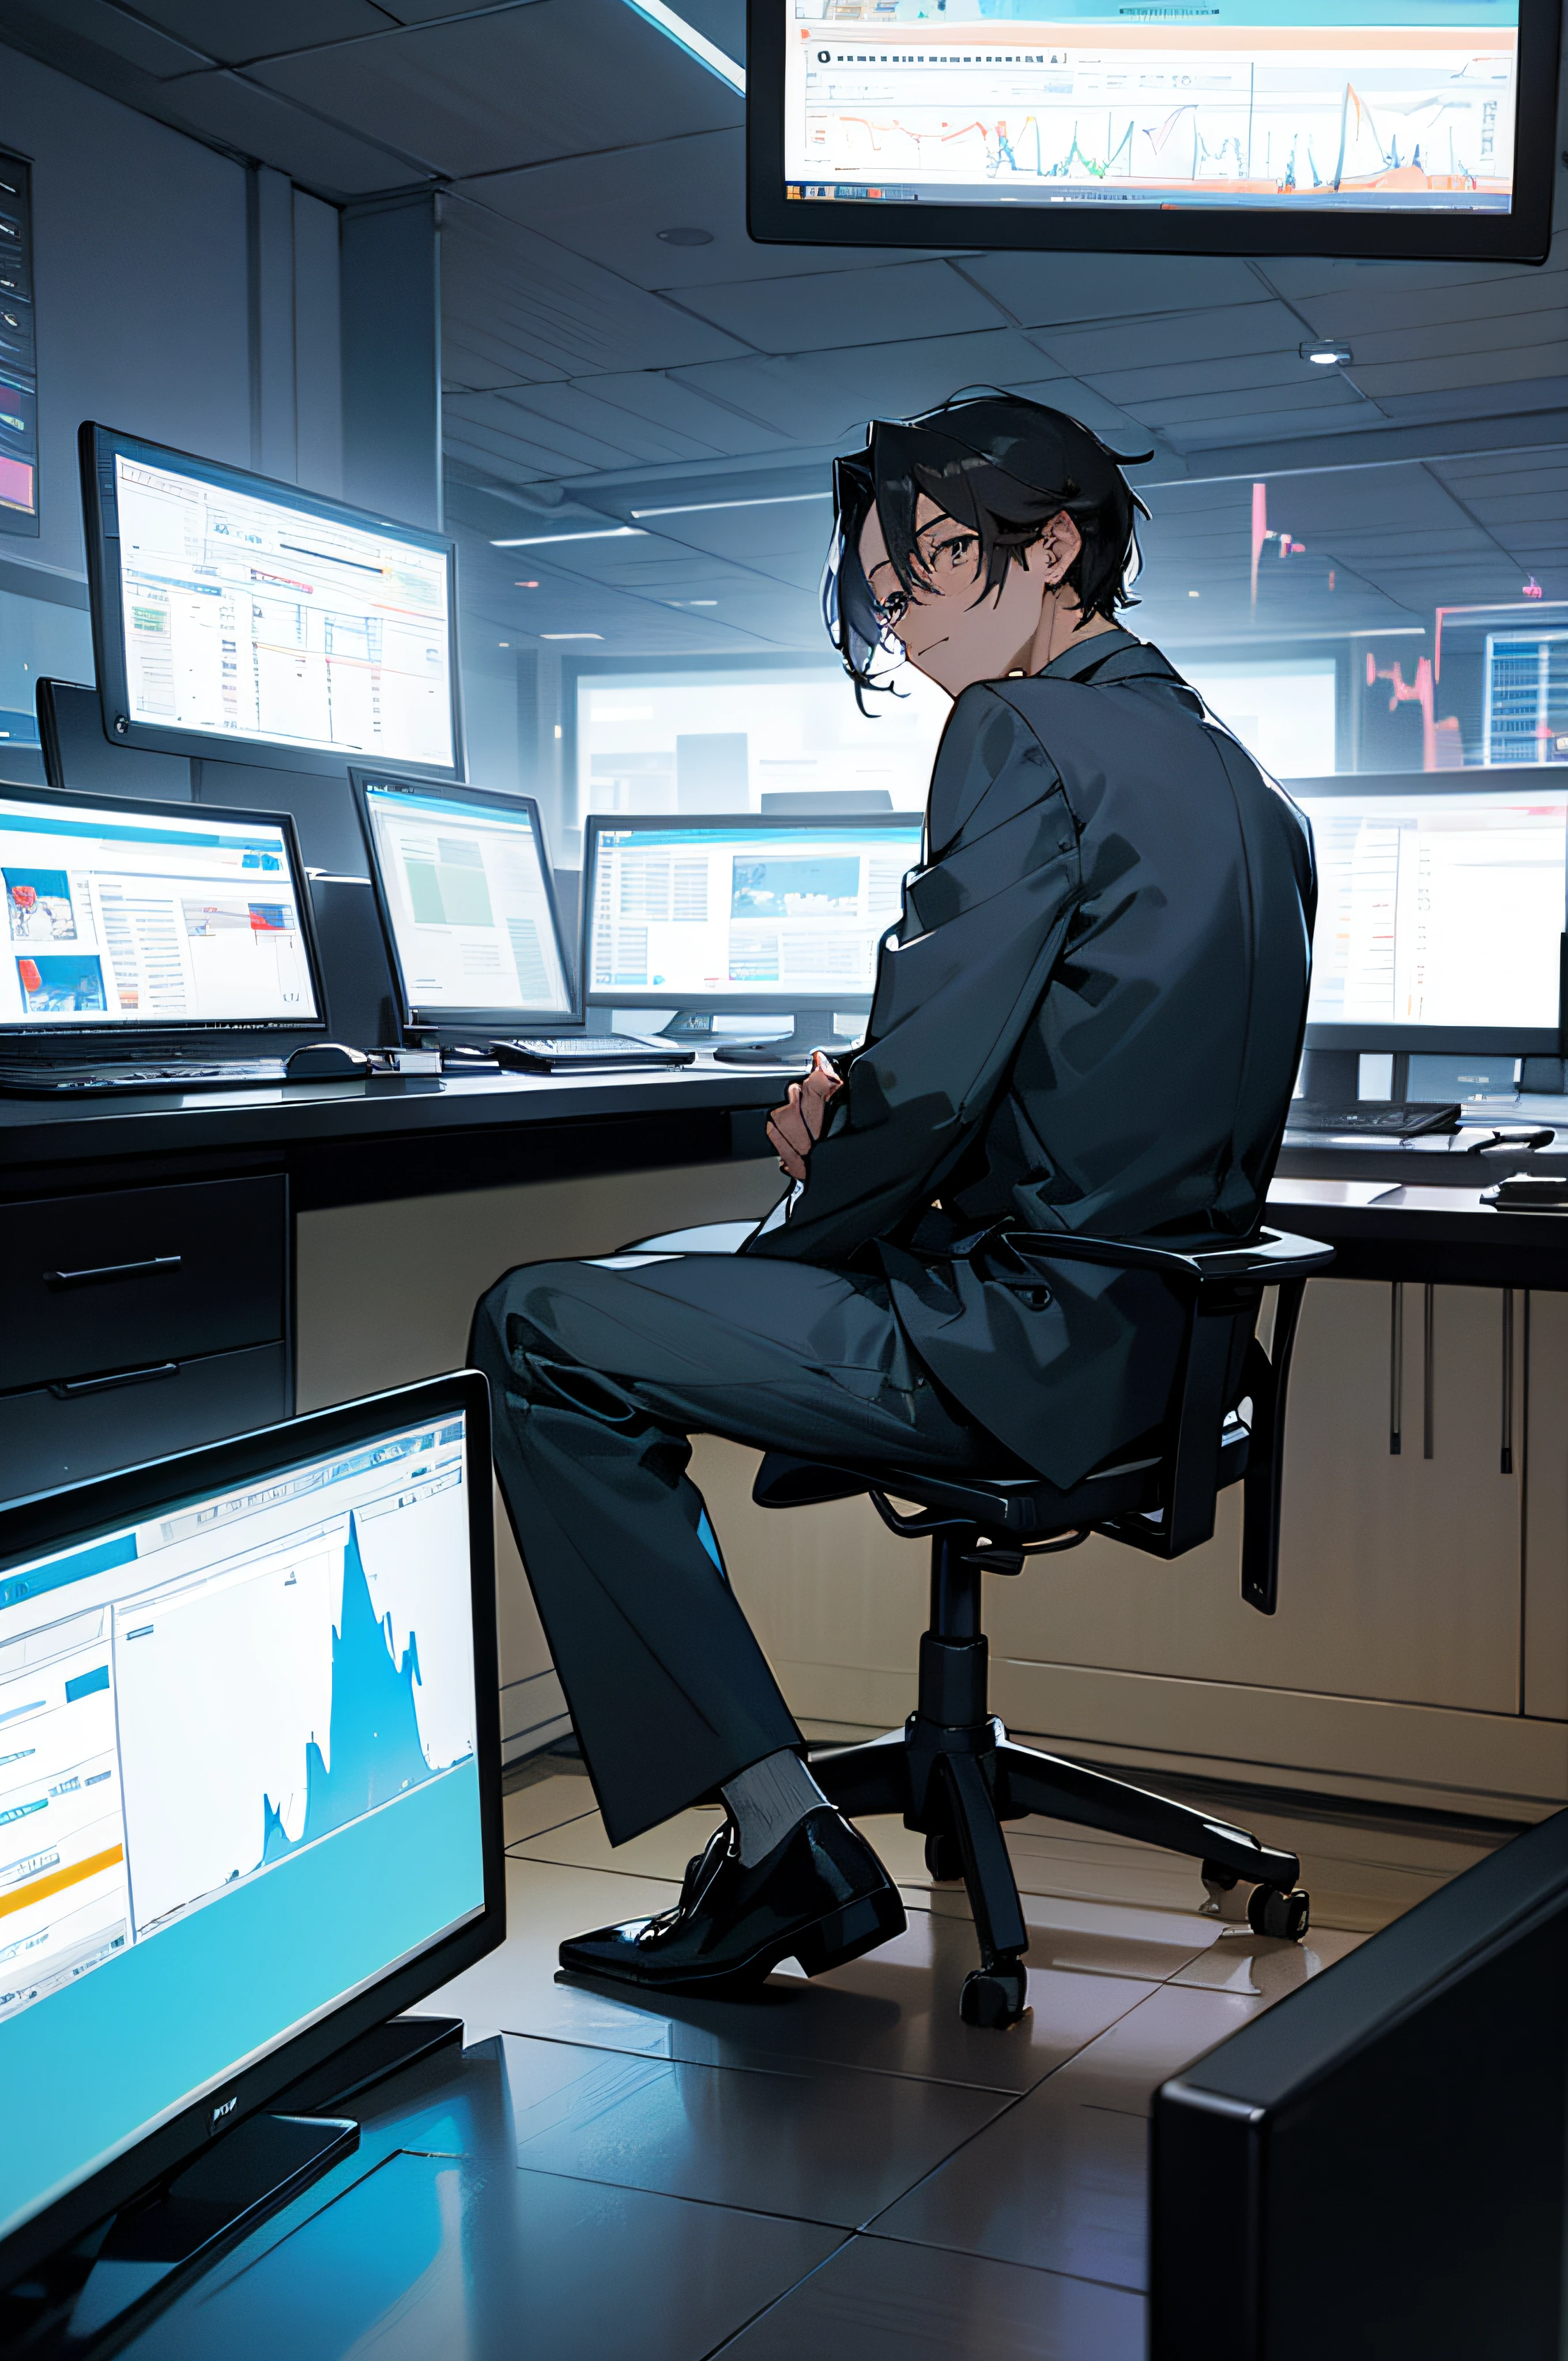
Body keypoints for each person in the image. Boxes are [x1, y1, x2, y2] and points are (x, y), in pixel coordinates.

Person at [469, 394, 1316, 1996]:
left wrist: (823, 1165)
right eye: (881, 584)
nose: (903, 616)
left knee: (540, 1330)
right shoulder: (1243, 784)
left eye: (931, 565)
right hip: (1168, 1348)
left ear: (1055, 549)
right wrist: (888, 1128)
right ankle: (778, 1823)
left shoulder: (1018, 733)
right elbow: (1100, 1076)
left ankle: (784, 1843)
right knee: (660, 1274)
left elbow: (925, 1086)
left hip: (1027, 1343)